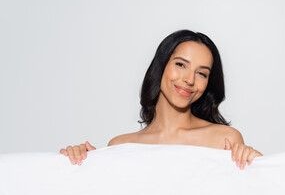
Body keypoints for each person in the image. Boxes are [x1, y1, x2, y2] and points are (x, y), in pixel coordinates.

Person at [59, 30, 263, 170]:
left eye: (201, 73)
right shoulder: (121, 145)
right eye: (181, 65)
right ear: (161, 66)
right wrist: (82, 163)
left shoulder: (225, 139)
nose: (189, 80)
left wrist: (257, 165)